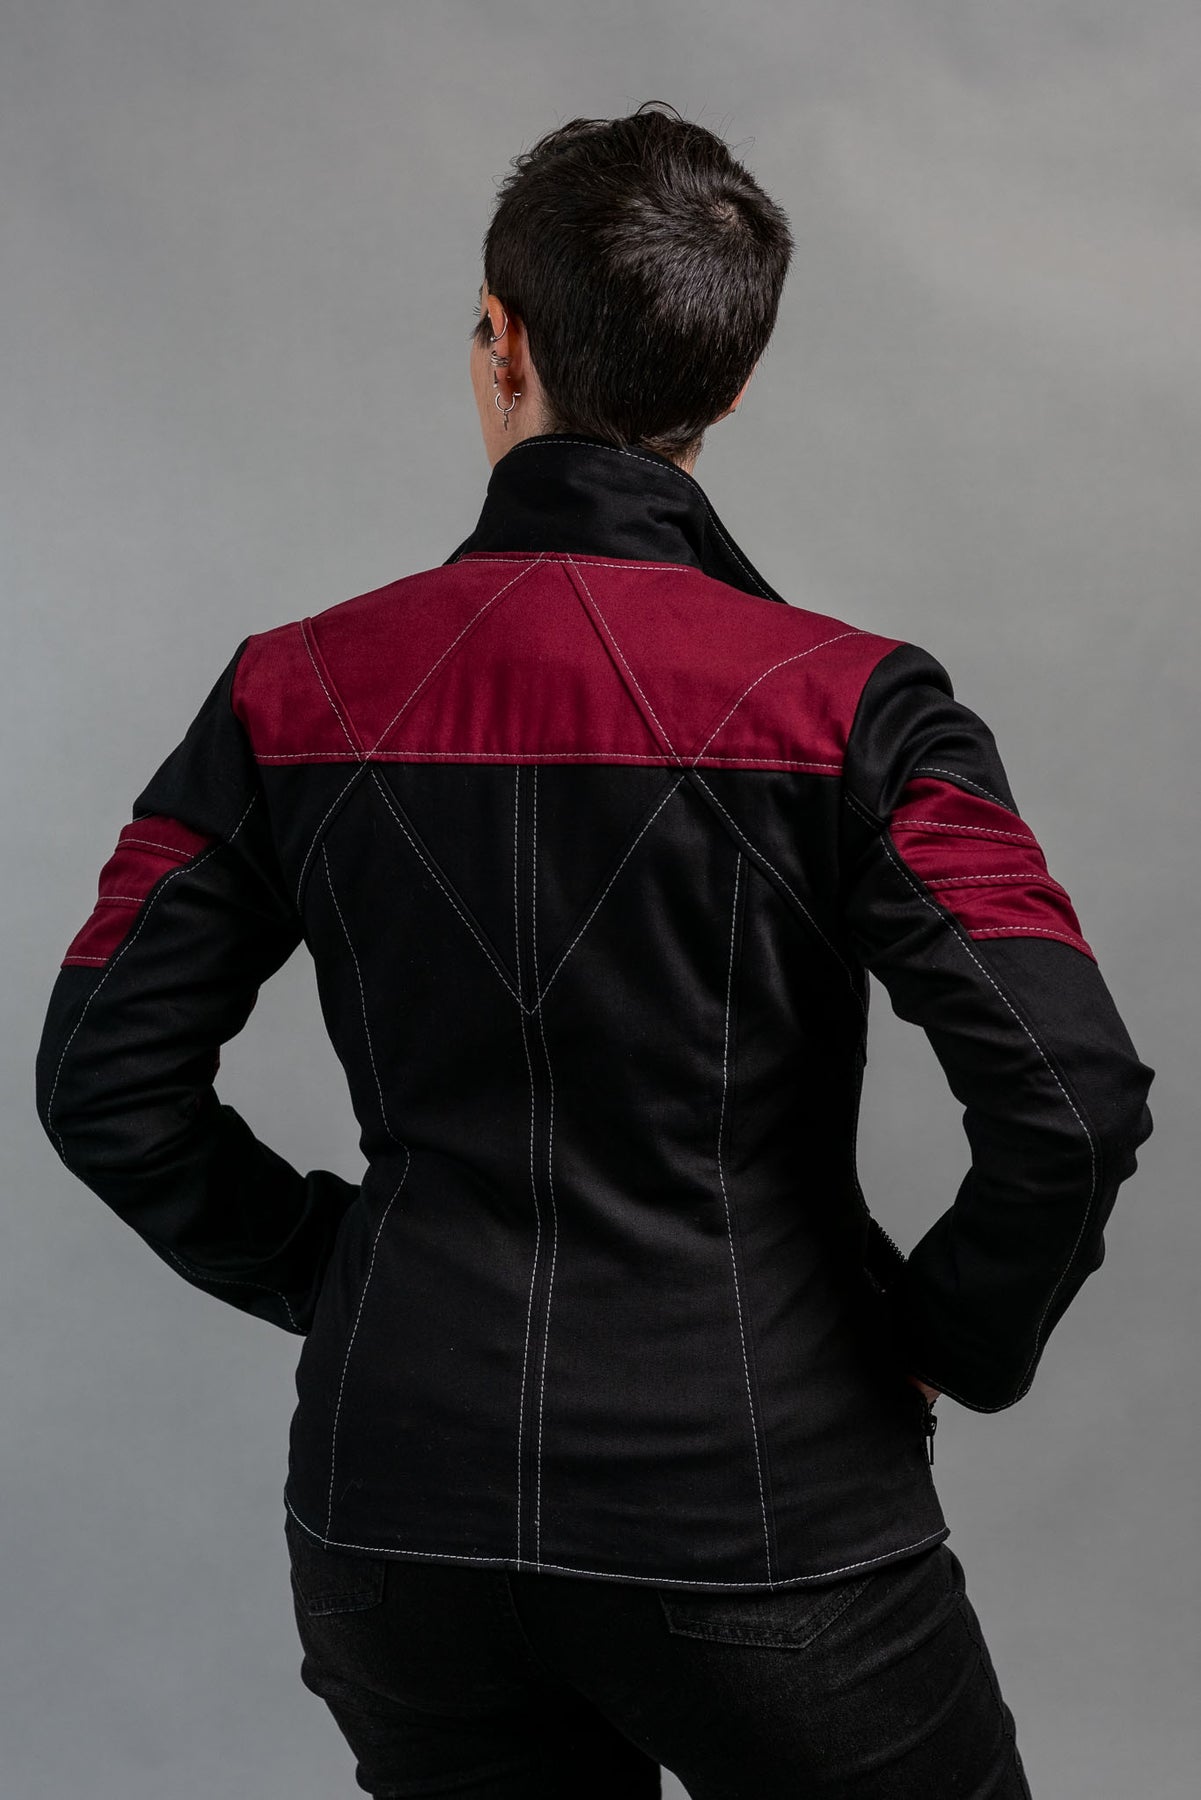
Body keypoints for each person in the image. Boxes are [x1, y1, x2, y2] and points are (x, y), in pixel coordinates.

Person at [35, 102, 1154, 1799]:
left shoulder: (284, 692)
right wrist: (950, 1337)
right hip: (765, 1500)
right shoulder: (857, 709)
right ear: (733, 384)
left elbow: (99, 1080)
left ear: (501, 338)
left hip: (394, 1510)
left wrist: (337, 1276)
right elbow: (1067, 1096)